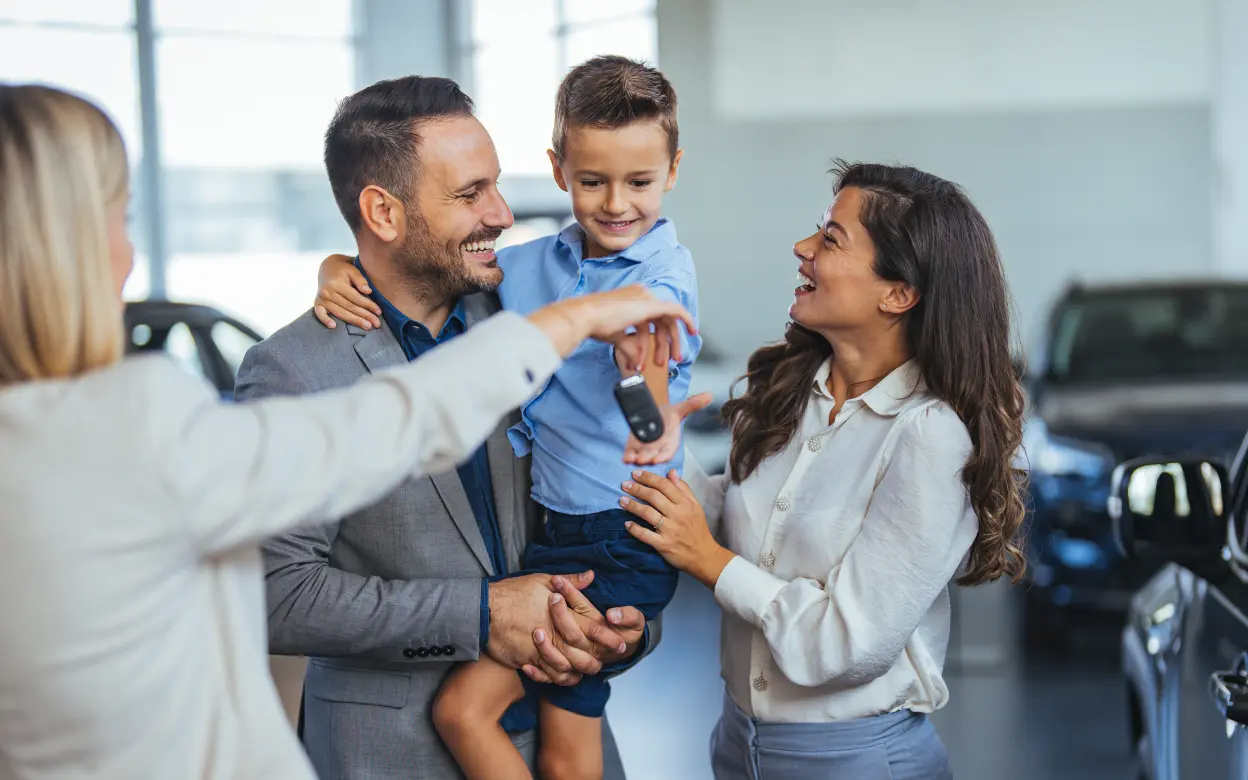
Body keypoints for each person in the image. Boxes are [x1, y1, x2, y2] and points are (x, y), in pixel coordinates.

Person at [0, 84, 694, 780]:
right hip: (396, 757)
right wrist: (481, 614)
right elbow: (282, 592)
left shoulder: (523, 303)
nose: (503, 213)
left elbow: (604, 495)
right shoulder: (293, 368)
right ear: (382, 212)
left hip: (564, 739)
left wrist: (621, 631)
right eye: (471, 192)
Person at [308, 57, 706, 780]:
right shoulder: (522, 276)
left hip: (609, 541)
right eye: (593, 181)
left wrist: (651, 418)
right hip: (549, 556)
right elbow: (283, 596)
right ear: (560, 171)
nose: (617, 204)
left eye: (640, 182)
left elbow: (646, 400)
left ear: (671, 171)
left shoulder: (652, 282)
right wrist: (337, 265)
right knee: (496, 723)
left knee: (538, 739)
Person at [616, 161, 1028, 779]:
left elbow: (845, 643)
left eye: (831, 239)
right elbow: (723, 519)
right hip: (736, 742)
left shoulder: (931, 438)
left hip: (855, 760)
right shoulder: (787, 390)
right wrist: (648, 412)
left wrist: (707, 560)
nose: (802, 248)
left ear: (898, 293)